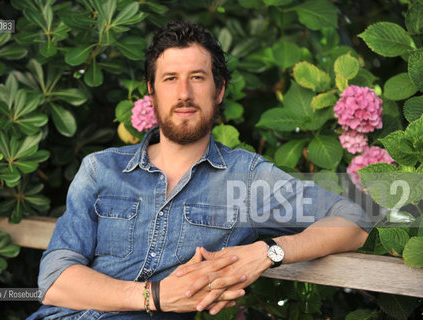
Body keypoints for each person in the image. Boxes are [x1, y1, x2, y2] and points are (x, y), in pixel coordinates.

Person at [27, 20, 370, 320]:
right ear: (152, 91)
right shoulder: (100, 169)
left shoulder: (245, 179)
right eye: (170, 78)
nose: (184, 93)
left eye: (197, 77)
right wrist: (156, 296)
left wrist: (268, 252)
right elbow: (55, 281)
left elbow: (354, 221)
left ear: (219, 90)